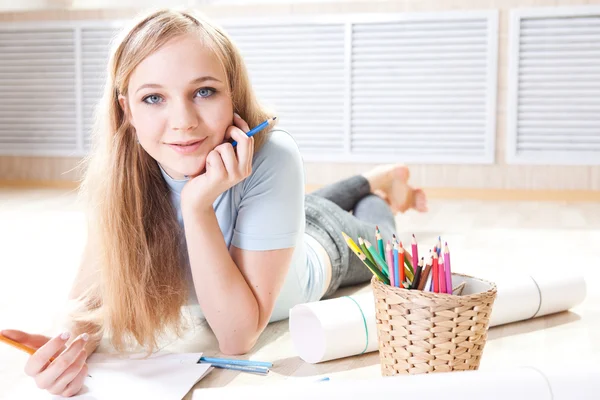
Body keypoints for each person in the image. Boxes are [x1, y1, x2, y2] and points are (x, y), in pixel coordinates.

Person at [1, 8, 427, 397]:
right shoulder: (121, 173)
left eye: (204, 92)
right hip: (280, 219)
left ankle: (378, 189)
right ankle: (371, 178)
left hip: (321, 247)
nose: (183, 121)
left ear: (232, 96)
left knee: (384, 244)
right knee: (301, 206)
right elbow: (86, 302)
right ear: (127, 111)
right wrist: (63, 345)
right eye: (153, 98)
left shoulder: (273, 155)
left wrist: (197, 206)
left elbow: (237, 337)